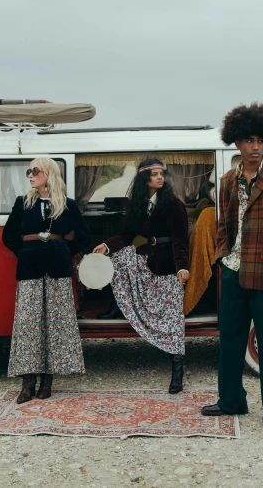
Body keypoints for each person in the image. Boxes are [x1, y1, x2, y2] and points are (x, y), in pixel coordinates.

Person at [201, 103, 263, 436]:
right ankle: (231, 401)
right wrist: (221, 258)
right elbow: (224, 225)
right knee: (229, 341)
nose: (255, 147)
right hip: (232, 271)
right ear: (237, 143)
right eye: (248, 140)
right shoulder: (228, 180)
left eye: (260, 140)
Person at [92, 158, 190, 394]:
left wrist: (182, 267)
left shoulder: (174, 204)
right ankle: (119, 304)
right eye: (154, 174)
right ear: (144, 179)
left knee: (174, 318)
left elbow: (180, 240)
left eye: (161, 174)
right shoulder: (137, 204)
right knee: (119, 256)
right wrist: (105, 246)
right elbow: (125, 236)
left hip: (167, 264)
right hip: (147, 258)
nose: (160, 178)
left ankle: (177, 370)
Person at [2, 158, 93, 403]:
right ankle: (27, 382)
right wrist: (24, 252)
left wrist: (64, 250)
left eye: (35, 171)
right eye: (28, 171)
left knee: (54, 326)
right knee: (28, 325)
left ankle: (47, 382)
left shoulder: (68, 205)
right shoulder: (23, 203)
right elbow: (8, 236)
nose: (30, 175)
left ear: (48, 174)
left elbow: (84, 237)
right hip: (30, 268)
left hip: (58, 269)